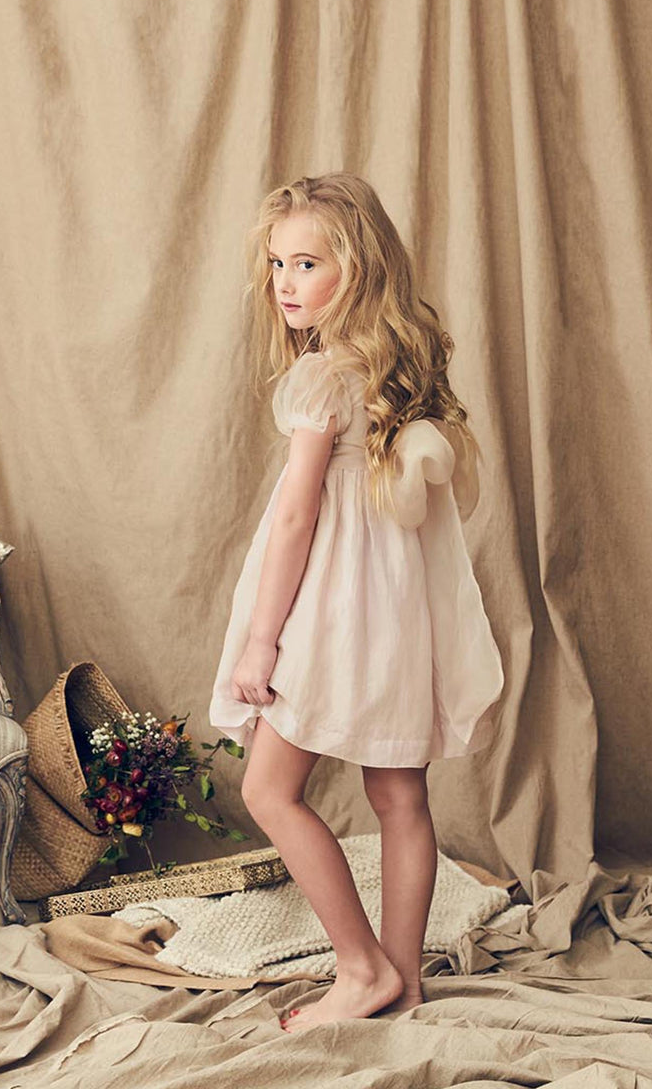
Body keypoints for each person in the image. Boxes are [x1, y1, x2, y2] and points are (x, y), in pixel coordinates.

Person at [208, 172, 504, 1032]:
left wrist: (262, 640)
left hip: (330, 611)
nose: (285, 283)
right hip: (395, 610)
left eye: (308, 263)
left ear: (360, 268)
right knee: (400, 796)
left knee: (270, 792)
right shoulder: (400, 363)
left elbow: (297, 516)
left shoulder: (322, 375)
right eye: (277, 264)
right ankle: (402, 983)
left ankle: (360, 968)